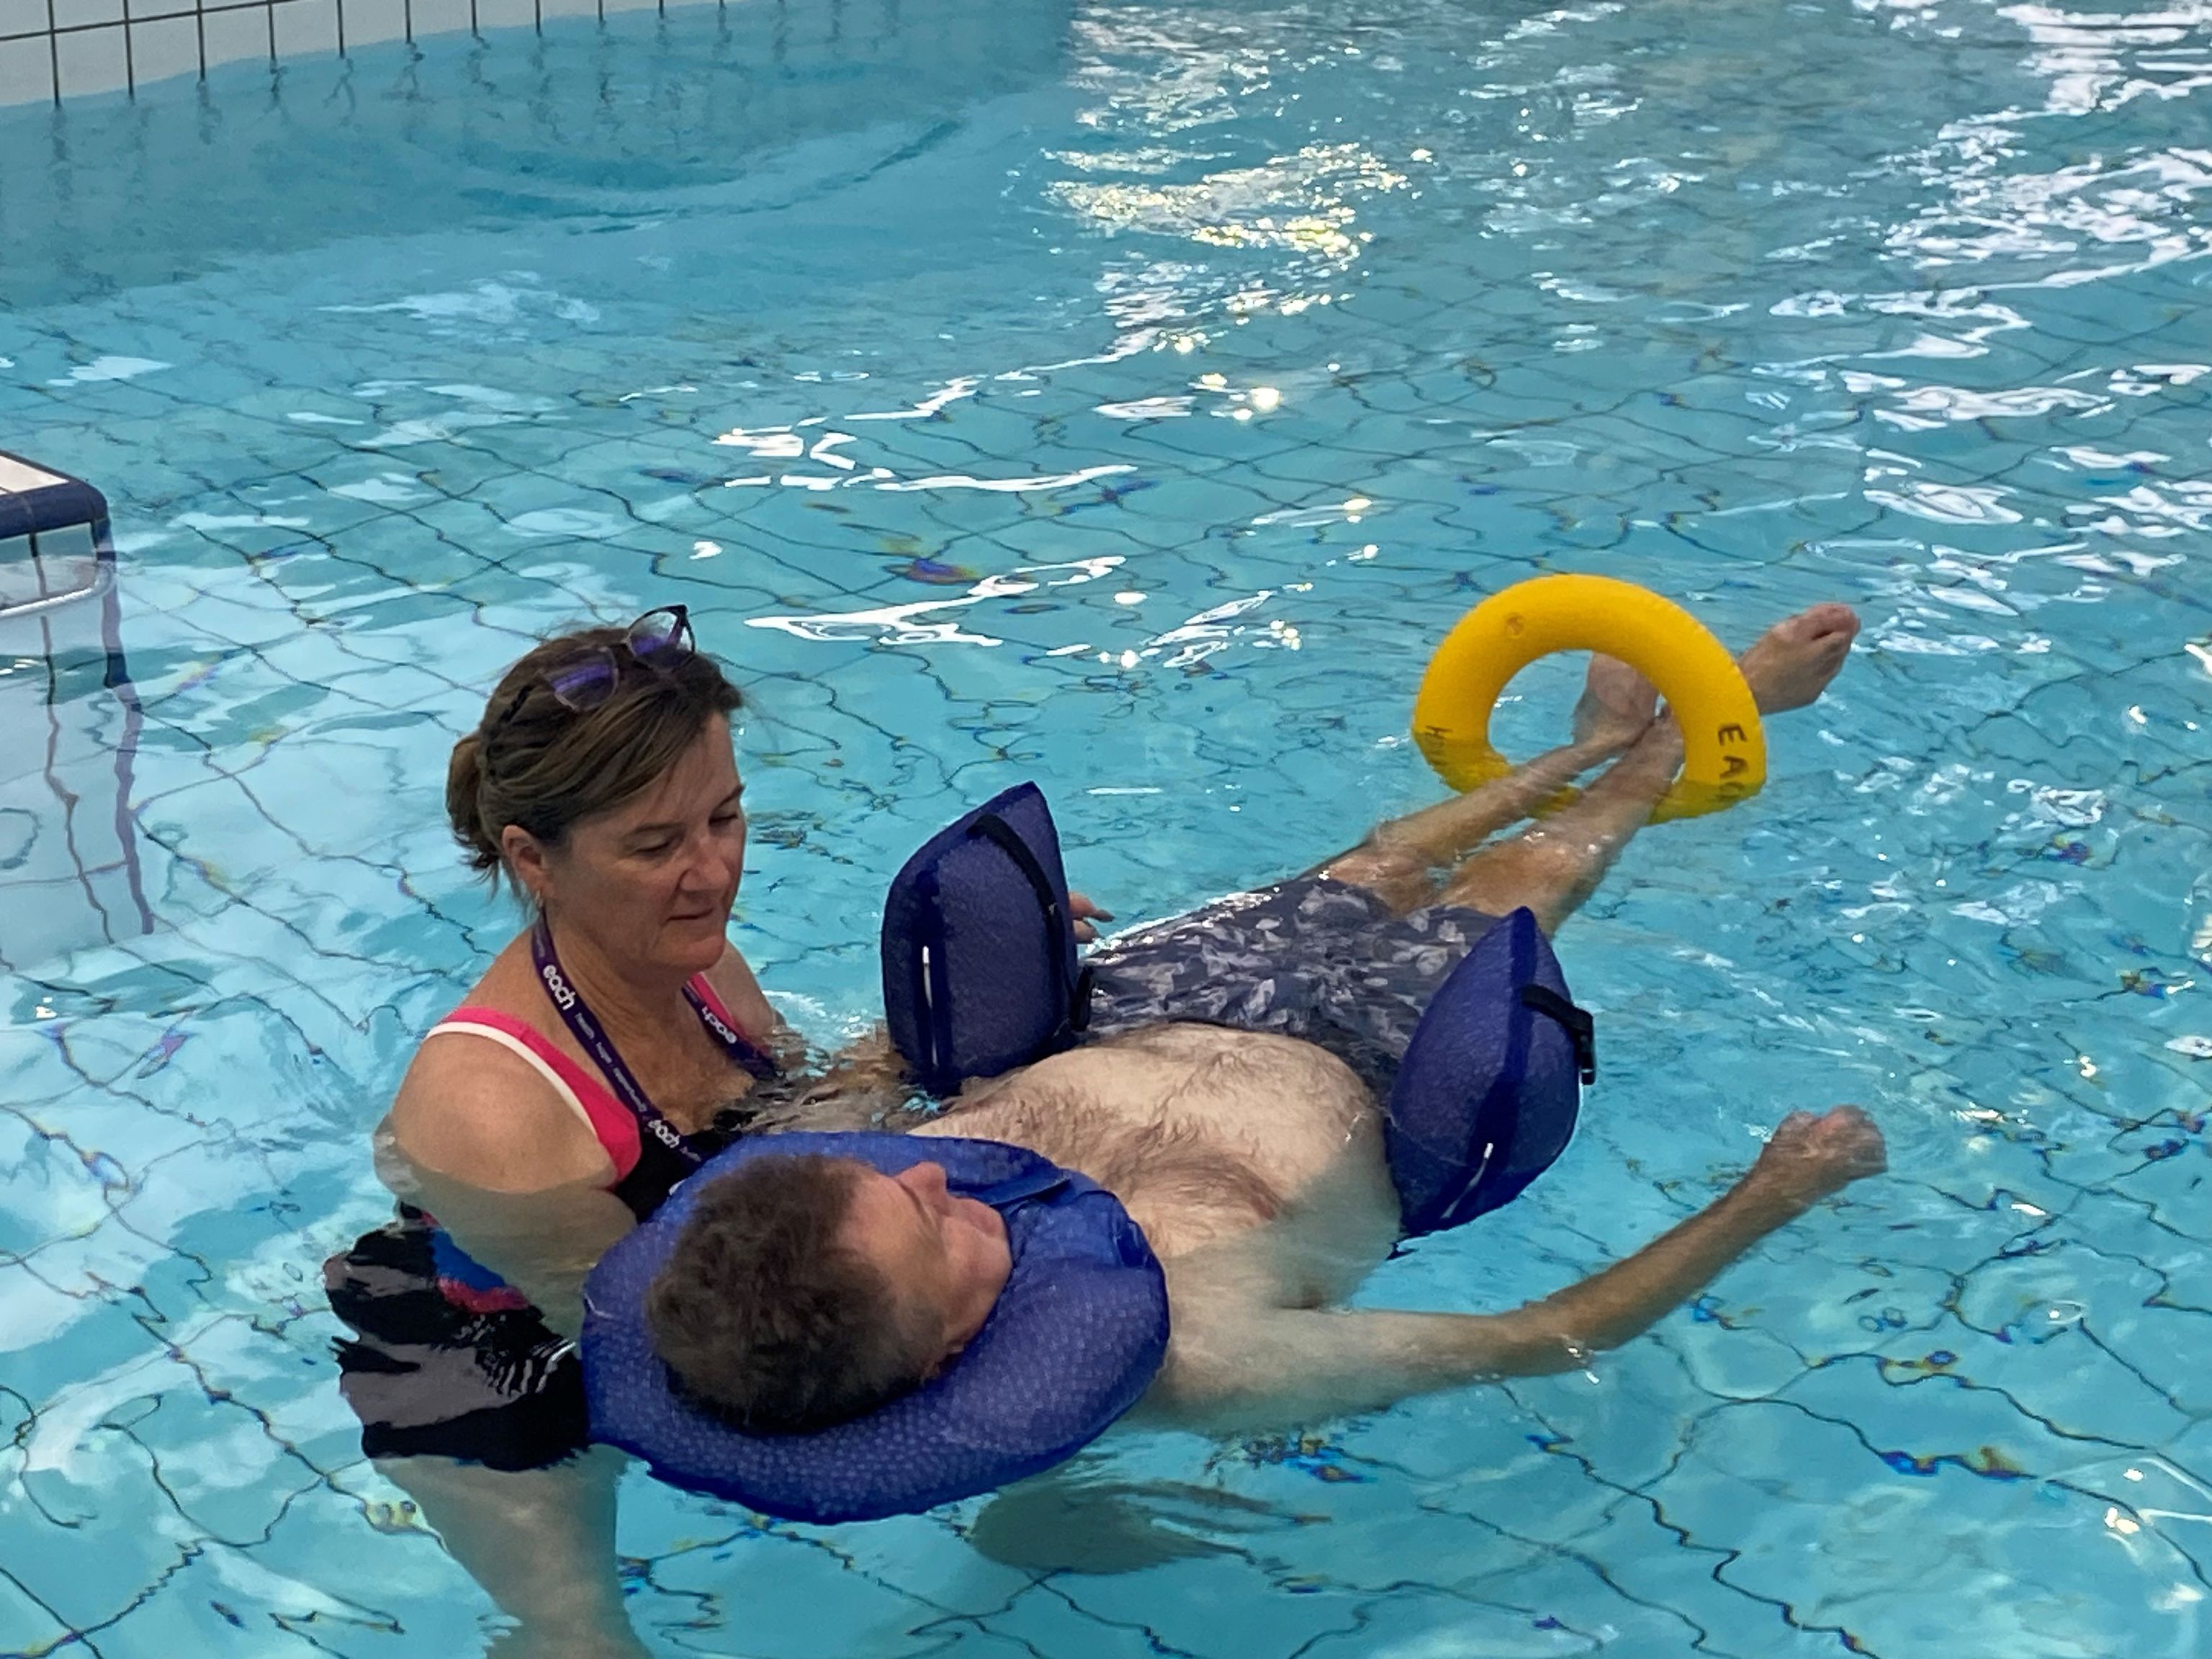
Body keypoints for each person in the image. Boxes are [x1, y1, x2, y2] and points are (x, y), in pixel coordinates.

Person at [647, 604, 1885, 1437]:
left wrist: (918, 1042)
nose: (921, 1172)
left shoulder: (836, 1199)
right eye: (928, 1223)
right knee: (1536, 880)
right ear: (936, 1356)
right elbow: (1547, 1334)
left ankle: (1583, 748)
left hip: (1162, 1004)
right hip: (1372, 1072)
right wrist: (1775, 1191)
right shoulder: (1205, 1361)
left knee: (1383, 859)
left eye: (891, 1180)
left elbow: (884, 1073)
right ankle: (1672, 743)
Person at [325, 607, 1108, 1658]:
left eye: (725, 818)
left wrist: (954, 1013)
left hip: (695, 1264)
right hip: (492, 1356)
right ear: (534, 860)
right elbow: (662, 1353)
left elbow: (797, 1134)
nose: (712, 872)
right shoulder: (492, 1110)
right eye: (655, 844)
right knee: (583, 1638)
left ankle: (1039, 1523)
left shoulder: (698, 968)